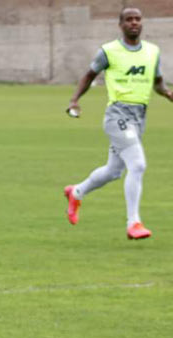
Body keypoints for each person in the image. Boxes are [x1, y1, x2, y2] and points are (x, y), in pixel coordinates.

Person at [64, 7, 173, 240]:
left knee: (114, 171)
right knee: (138, 165)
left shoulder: (152, 52)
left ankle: (76, 192)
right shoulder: (109, 51)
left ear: (142, 23)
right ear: (120, 24)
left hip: (139, 117)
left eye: (137, 19)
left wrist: (168, 94)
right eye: (129, 19)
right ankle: (133, 223)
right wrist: (74, 100)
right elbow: (88, 76)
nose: (134, 23)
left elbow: (157, 83)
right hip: (118, 116)